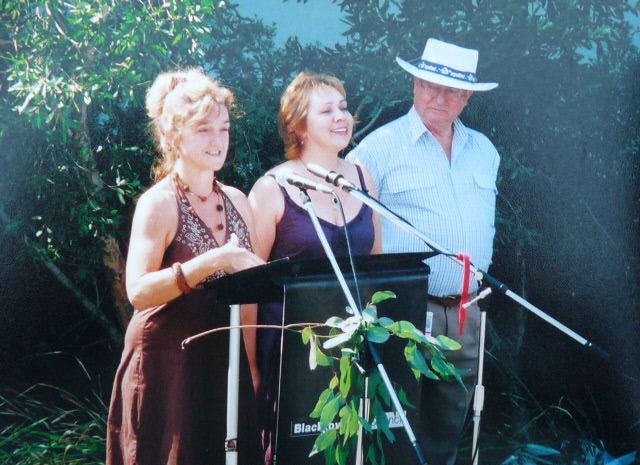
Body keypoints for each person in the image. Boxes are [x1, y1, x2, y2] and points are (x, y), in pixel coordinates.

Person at [347, 38, 500, 465]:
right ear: (414, 84)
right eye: (430, 85)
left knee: (450, 420)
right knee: (399, 420)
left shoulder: (484, 152)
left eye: (452, 90)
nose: (440, 97)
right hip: (407, 309)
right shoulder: (378, 148)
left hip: (467, 312)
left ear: (467, 96)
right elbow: (349, 224)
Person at [107, 69, 264, 465]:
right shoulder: (158, 203)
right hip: (167, 367)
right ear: (174, 136)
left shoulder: (238, 200)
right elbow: (138, 292)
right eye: (203, 130)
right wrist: (210, 262)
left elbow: (250, 298)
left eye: (224, 128)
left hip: (221, 366)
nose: (217, 141)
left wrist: (250, 369)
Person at [248, 71, 382, 464]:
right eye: (326, 110)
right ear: (298, 125)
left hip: (353, 351)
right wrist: (253, 368)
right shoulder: (272, 188)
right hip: (289, 356)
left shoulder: (363, 178)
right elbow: (249, 288)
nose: (341, 116)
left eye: (343, 107)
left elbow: (377, 269)